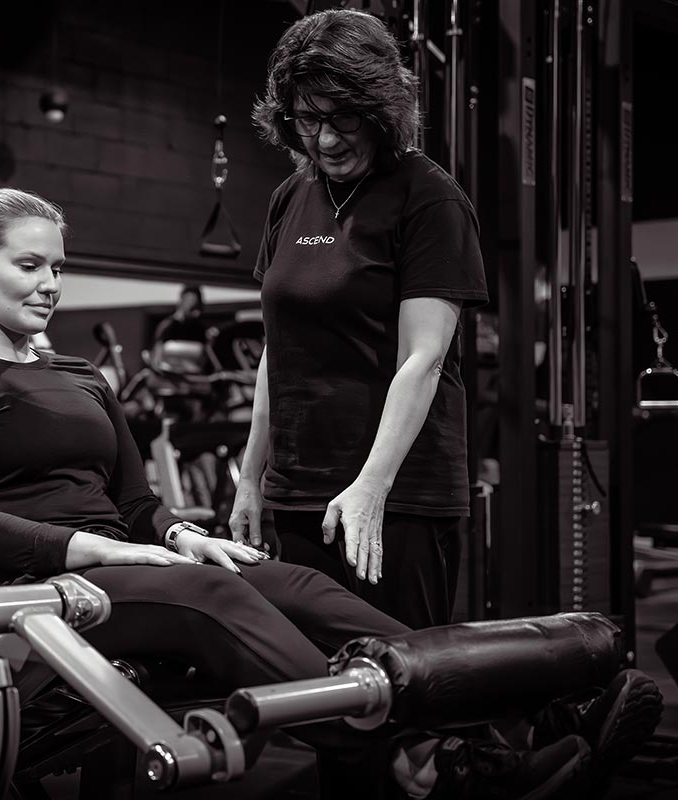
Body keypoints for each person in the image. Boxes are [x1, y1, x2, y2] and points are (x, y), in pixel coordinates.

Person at [0, 185, 658, 799]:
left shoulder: (80, 375)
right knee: (212, 597)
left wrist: (178, 535)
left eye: (59, 268)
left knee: (294, 584)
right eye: (30, 268)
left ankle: (519, 713)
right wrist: (95, 548)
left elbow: (135, 499)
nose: (51, 285)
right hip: (49, 593)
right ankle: (439, 758)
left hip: (133, 562)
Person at [230, 8, 489, 631]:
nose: (324, 140)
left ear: (379, 109)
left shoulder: (428, 196)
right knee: (310, 692)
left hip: (395, 493)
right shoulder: (291, 197)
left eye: (342, 117)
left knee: (396, 686)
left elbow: (422, 359)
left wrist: (372, 486)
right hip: (297, 490)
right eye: (307, 119)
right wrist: (251, 476)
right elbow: (278, 348)